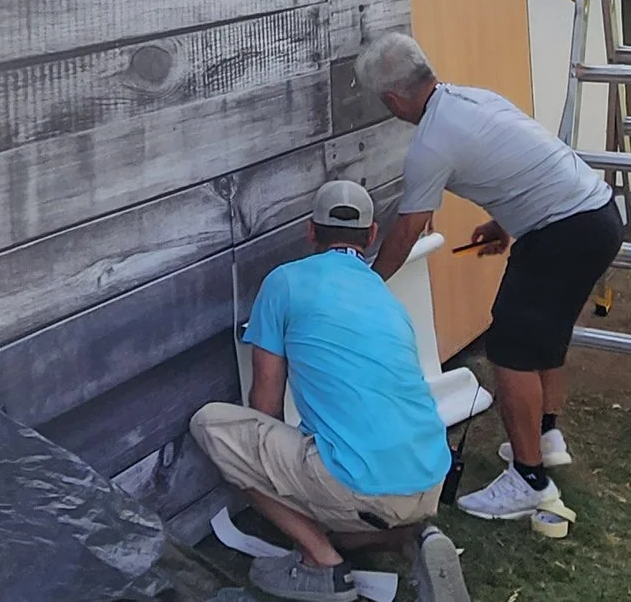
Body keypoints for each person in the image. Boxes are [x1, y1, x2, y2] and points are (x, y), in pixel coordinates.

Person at [354, 33, 625, 523]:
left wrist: (367, 284)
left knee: (511, 348)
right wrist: (506, 222)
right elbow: (527, 160)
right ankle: (545, 437)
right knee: (544, 333)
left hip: (564, 232)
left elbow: (406, 232)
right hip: (597, 214)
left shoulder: (430, 144)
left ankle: (529, 481)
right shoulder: (474, 99)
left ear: (393, 100)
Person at [191, 180, 470, 602]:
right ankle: (411, 537)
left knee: (211, 425)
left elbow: (264, 403)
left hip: (360, 484)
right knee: (347, 500)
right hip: (430, 475)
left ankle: (322, 564)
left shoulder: (284, 282)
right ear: (372, 235)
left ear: (310, 231)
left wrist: (276, 475)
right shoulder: (383, 293)